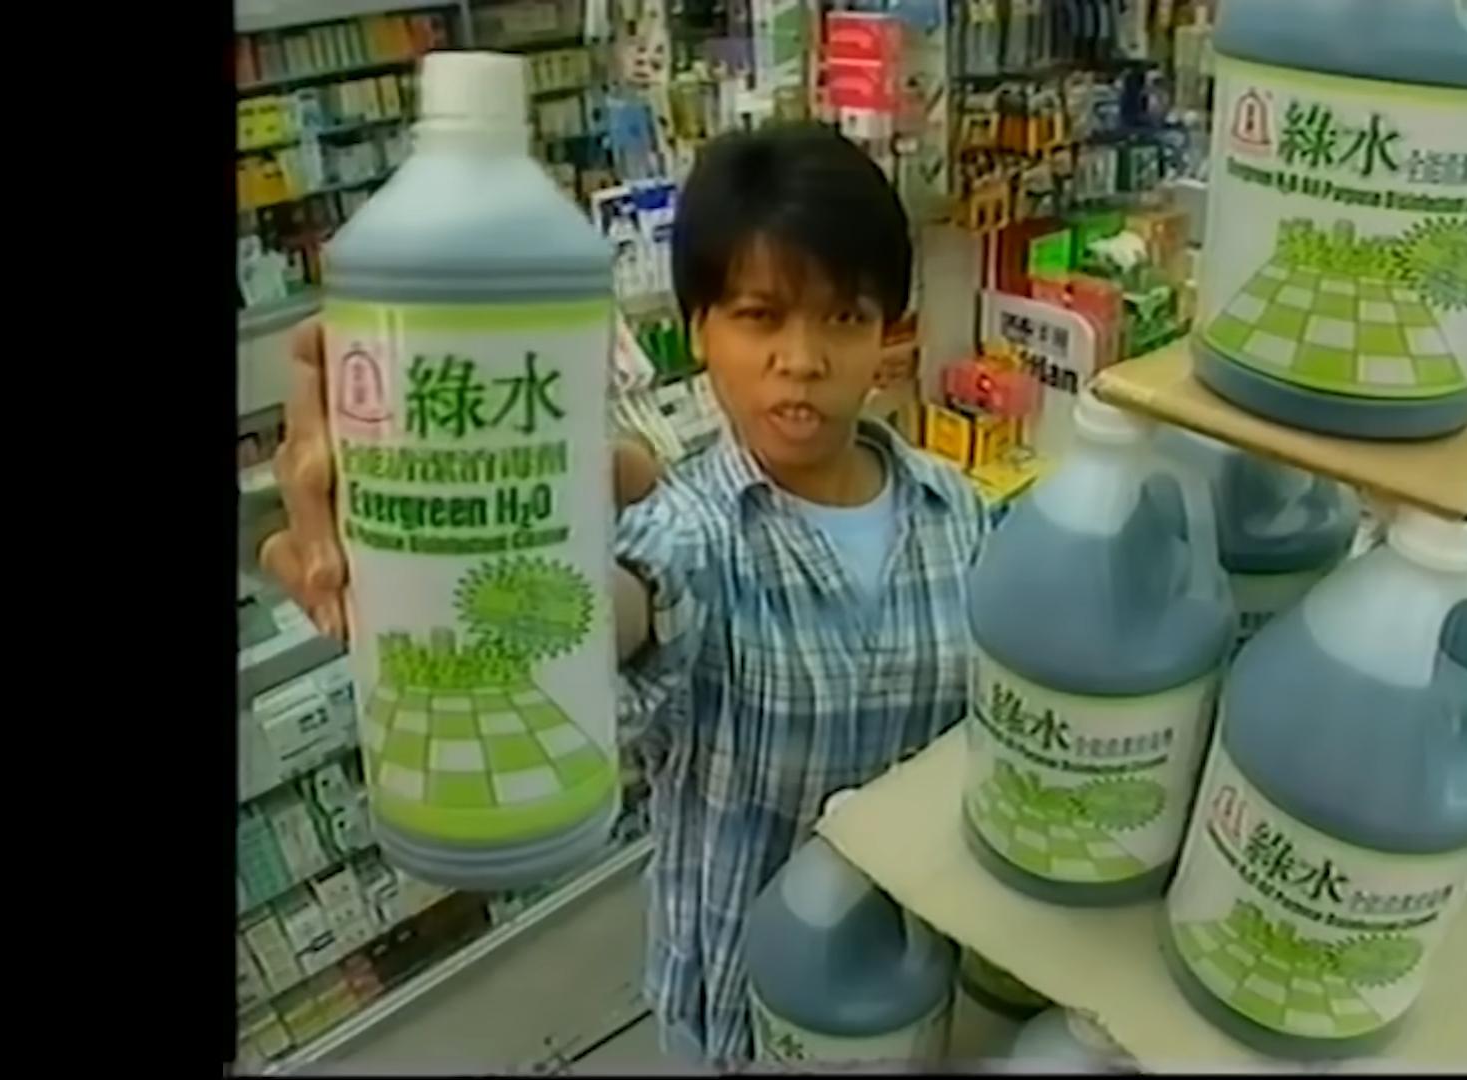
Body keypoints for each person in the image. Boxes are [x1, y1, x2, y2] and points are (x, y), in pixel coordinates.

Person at [260, 122, 987, 1065]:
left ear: (888, 329)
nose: (801, 358)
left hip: (925, 997)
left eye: (843, 316)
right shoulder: (686, 526)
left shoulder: (959, 513)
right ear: (698, 328)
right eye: (760, 315)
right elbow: (628, 603)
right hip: (739, 1020)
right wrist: (442, 550)